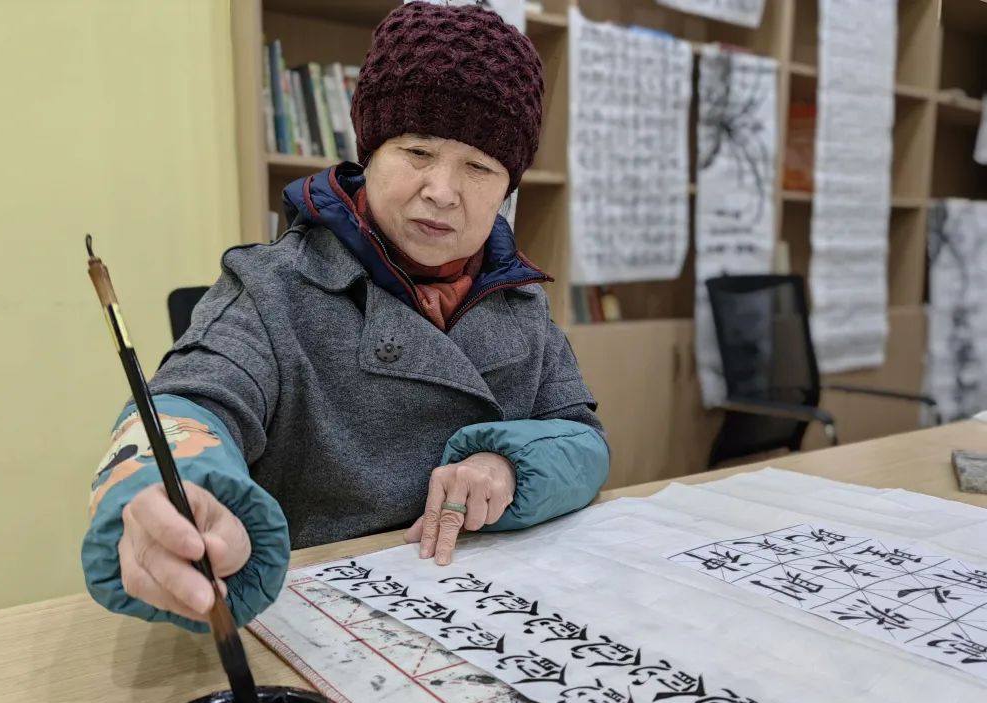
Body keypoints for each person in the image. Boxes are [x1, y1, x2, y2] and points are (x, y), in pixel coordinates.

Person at [82, 0, 610, 632]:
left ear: (507, 186)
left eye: (479, 167)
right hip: (319, 621)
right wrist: (170, 490)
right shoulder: (272, 285)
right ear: (370, 152)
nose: (442, 191)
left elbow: (583, 442)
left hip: (493, 609)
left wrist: (508, 466)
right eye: (417, 151)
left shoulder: (519, 300)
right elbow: (193, 401)